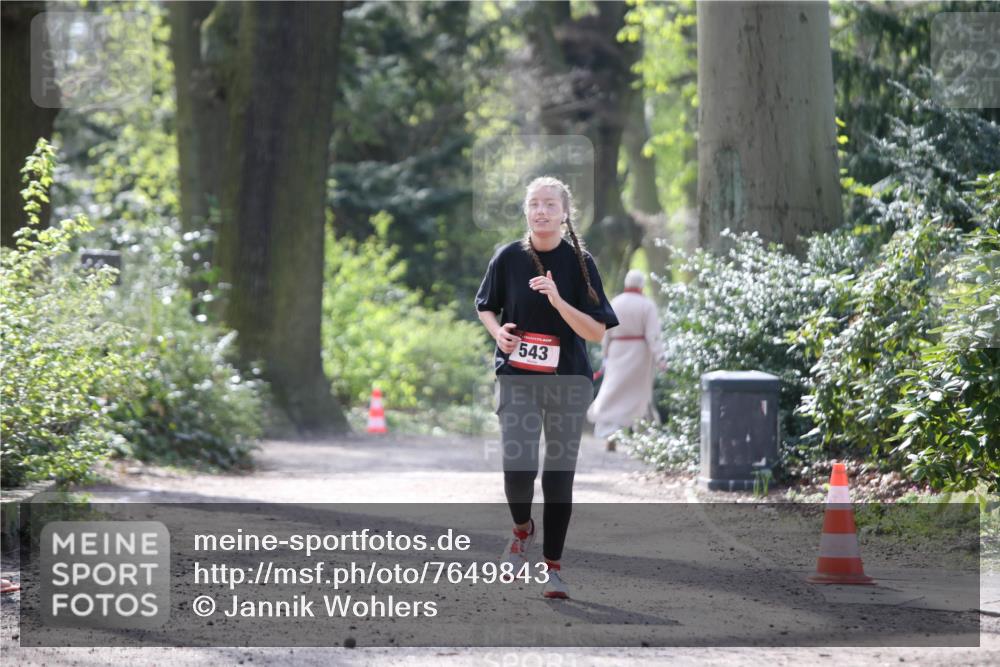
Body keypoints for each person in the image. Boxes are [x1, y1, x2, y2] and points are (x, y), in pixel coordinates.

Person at [475, 176, 618, 599]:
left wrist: (558, 300)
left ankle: (552, 568)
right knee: (518, 470)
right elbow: (485, 306)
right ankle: (522, 529)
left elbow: (596, 333)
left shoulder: (581, 264)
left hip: (568, 379)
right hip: (517, 378)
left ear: (564, 213)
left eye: (550, 204)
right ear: (526, 211)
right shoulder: (507, 258)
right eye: (534, 204)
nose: (541, 211)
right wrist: (497, 333)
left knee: (558, 479)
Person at [587, 270, 665, 451]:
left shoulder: (616, 302)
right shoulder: (647, 305)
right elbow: (653, 335)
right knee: (639, 394)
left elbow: (606, 331)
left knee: (613, 391)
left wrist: (606, 354)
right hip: (640, 353)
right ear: (641, 285)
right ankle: (643, 433)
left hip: (617, 351)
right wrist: (660, 357)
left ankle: (610, 432)